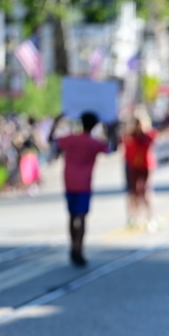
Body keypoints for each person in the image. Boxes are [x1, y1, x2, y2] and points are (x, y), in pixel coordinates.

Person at [49, 111, 110, 267]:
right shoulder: (94, 143)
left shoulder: (70, 139)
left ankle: (73, 247)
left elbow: (52, 141)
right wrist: (109, 126)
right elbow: (111, 148)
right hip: (84, 184)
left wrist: (56, 122)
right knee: (81, 218)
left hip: (69, 182)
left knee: (71, 216)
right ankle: (79, 249)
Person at [123, 114, 160, 230]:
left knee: (145, 191)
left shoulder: (148, 135)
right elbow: (127, 150)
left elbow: (155, 138)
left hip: (145, 166)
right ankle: (134, 217)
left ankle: (150, 217)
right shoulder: (130, 136)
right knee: (133, 192)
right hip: (133, 166)